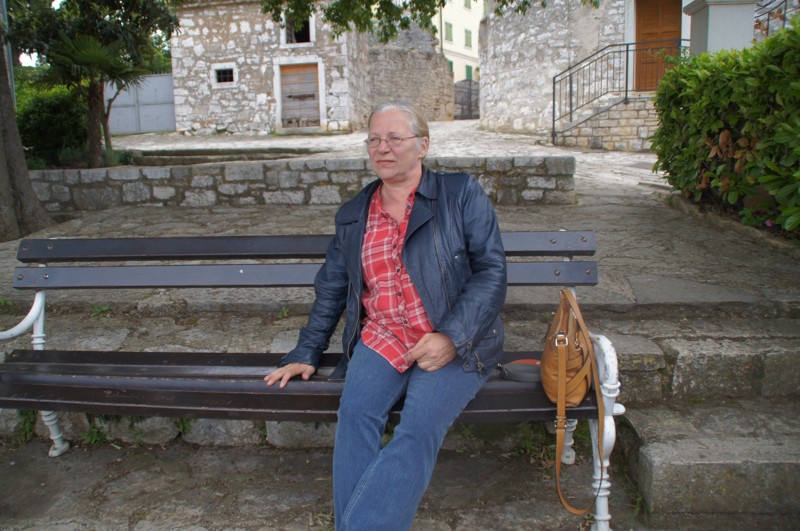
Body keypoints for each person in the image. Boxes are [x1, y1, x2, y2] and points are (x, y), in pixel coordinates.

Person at [264, 101, 507, 530]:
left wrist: (451, 337)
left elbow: (491, 271)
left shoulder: (460, 194)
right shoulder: (354, 214)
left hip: (452, 338)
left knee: (418, 427)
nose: (383, 147)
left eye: (395, 138)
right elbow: (332, 288)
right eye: (374, 139)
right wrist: (306, 351)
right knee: (355, 416)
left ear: (423, 145)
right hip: (383, 336)